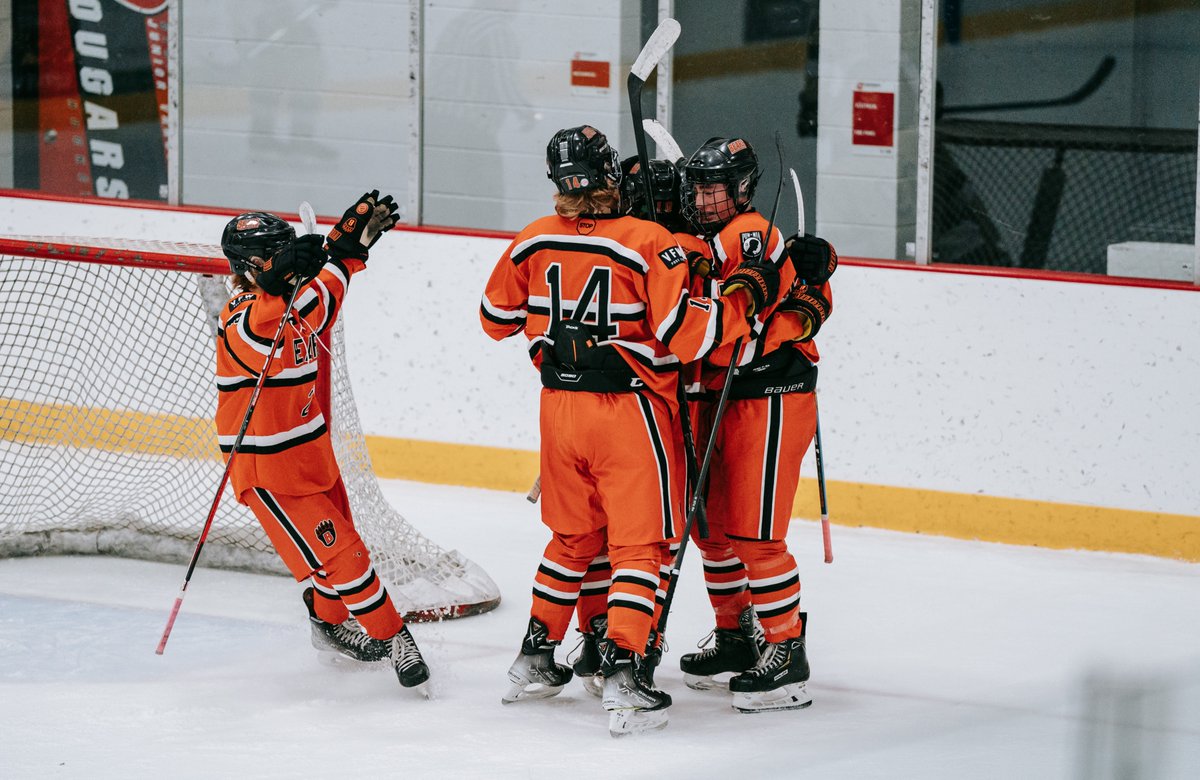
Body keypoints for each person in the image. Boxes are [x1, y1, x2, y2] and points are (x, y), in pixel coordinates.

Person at [480, 125, 780, 736]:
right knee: (641, 548)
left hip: (558, 410)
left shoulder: (531, 239)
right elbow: (688, 335)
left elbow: (494, 319)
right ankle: (624, 675)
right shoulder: (648, 241)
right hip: (630, 412)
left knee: (572, 539)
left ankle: (536, 657)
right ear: (610, 176)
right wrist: (741, 297)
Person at [216, 192, 430, 693]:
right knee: (345, 555)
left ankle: (328, 623)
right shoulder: (240, 318)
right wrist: (328, 261)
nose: (294, 261)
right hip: (267, 469)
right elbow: (273, 317)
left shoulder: (303, 298)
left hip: (311, 451)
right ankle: (394, 637)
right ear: (253, 266)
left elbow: (327, 288)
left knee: (332, 559)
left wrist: (345, 251)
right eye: (280, 255)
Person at [673, 137, 836, 713]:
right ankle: (737, 638)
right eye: (697, 188)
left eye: (714, 188)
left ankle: (787, 652)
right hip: (715, 396)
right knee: (711, 532)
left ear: (741, 189)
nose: (703, 198)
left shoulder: (746, 231)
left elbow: (805, 304)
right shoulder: (697, 237)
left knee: (755, 536)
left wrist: (765, 334)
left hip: (769, 396)